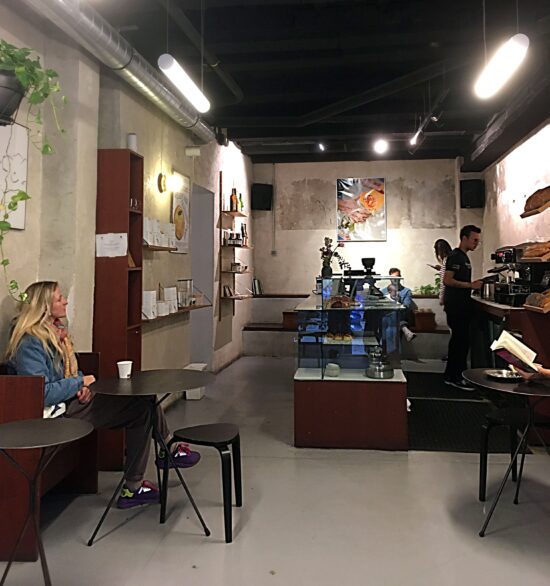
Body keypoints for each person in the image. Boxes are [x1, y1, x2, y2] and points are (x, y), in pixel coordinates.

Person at [6, 281, 200, 509]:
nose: (66, 301)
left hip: (71, 402)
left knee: (143, 401)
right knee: (142, 406)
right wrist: (79, 382)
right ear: (44, 306)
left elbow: (70, 371)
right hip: (53, 415)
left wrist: (83, 386)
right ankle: (146, 473)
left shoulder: (57, 334)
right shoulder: (30, 342)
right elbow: (41, 392)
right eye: (59, 298)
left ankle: (154, 465)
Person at [443, 226, 483, 390]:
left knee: (461, 341)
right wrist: (470, 285)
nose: (476, 243)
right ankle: (454, 377)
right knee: (459, 342)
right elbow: (447, 280)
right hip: (456, 306)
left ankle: (454, 375)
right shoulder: (455, 257)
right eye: (474, 240)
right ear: (464, 238)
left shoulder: (463, 257)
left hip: (461, 305)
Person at [381, 268, 416, 343]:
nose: (395, 280)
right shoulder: (383, 291)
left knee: (395, 315)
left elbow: (406, 306)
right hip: (386, 317)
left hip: (399, 316)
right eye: (393, 278)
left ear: (400, 277)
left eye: (397, 277)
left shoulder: (406, 291)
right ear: (389, 278)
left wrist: (398, 301)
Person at [432, 239, 453, 306]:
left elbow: (443, 281)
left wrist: (441, 297)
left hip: (448, 295)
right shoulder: (451, 259)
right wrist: (441, 269)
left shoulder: (446, 260)